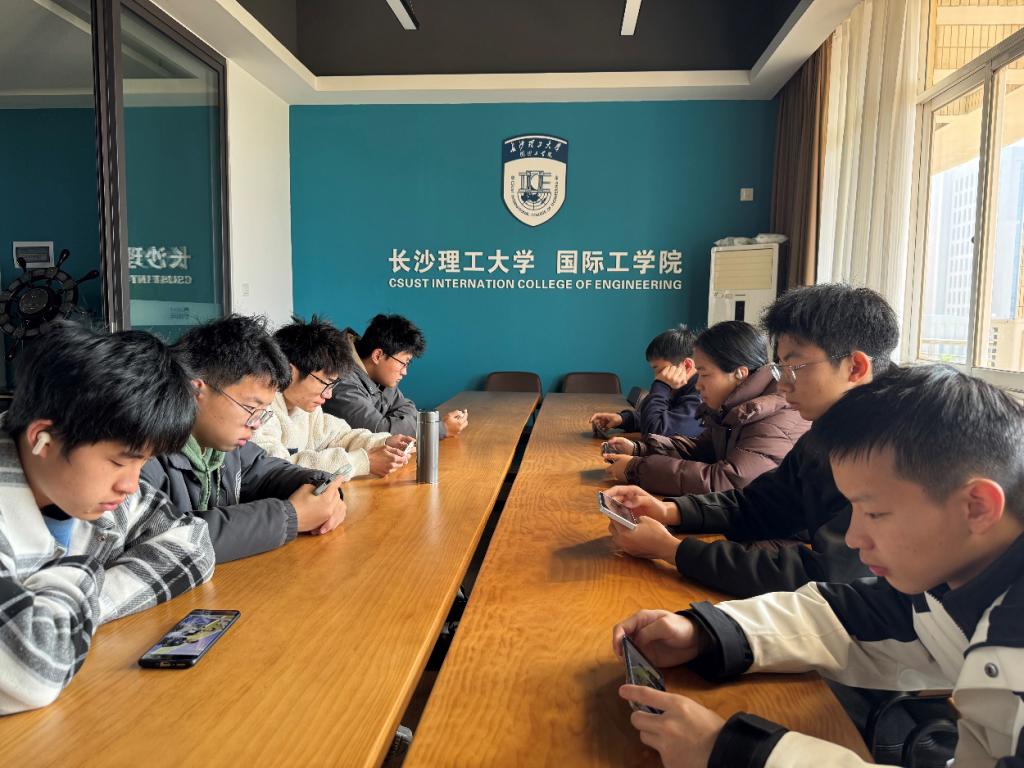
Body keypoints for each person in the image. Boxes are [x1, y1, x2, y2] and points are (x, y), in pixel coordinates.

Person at [611, 365, 1024, 768]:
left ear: (977, 507)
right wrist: (706, 632)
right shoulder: (949, 574)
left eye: (875, 513)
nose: (853, 537)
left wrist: (734, 752)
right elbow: (849, 614)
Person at [605, 283, 900, 597]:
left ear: (855, 367)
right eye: (780, 368)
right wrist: (668, 511)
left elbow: (828, 576)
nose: (783, 385)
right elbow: (760, 503)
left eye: (795, 368)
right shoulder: (829, 431)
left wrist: (673, 550)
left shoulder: (894, 450)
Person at [0, 322, 214, 714]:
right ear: (41, 438)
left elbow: (193, 544)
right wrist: (83, 571)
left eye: (143, 463)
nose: (130, 485)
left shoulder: (82, 489)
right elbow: (32, 670)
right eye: (118, 462)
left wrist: (82, 610)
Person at [141, 315, 347, 563]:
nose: (256, 423)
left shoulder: (225, 448)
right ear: (196, 391)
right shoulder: (140, 454)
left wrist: (322, 488)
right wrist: (290, 517)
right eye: (251, 408)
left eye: (263, 412)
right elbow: (164, 540)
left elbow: (271, 473)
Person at [603, 321, 809, 495]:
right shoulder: (731, 409)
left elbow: (727, 481)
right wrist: (640, 449)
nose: (698, 384)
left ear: (740, 373)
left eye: (704, 374)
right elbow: (702, 449)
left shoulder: (774, 417)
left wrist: (637, 469)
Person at [255, 315, 413, 479]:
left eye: (332, 385)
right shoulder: (257, 411)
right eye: (325, 383)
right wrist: (362, 462)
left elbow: (340, 436)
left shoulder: (304, 408)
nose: (328, 394)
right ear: (290, 372)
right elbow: (279, 469)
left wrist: (383, 443)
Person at [323, 314, 468, 438]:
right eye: (404, 363)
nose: (404, 372)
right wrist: (440, 429)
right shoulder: (341, 381)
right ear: (377, 355)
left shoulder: (379, 375)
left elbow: (407, 407)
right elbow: (380, 432)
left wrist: (391, 424)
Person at [590, 324, 702, 439]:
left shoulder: (702, 397)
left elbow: (655, 434)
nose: (657, 377)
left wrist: (661, 385)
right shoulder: (683, 389)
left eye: (661, 370)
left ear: (687, 366)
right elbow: (664, 417)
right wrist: (624, 419)